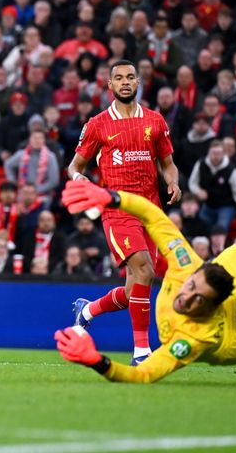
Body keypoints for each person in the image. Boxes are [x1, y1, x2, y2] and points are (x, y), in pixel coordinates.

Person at [53, 164, 236, 383]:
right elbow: (152, 213)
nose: (187, 297)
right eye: (192, 287)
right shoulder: (186, 265)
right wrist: (109, 197)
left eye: (199, 299)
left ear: (211, 308)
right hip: (222, 272)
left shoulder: (193, 339)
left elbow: (142, 375)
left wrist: (97, 362)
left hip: (230, 339)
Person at [67, 59, 181, 365]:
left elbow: (168, 164)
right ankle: (142, 353)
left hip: (151, 211)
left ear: (138, 82)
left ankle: (88, 310)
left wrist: (172, 182)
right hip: (117, 209)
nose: (125, 82)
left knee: (136, 290)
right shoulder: (97, 124)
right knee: (144, 269)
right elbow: (74, 167)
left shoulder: (155, 121)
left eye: (130, 77)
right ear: (110, 85)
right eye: (119, 78)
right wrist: (84, 184)